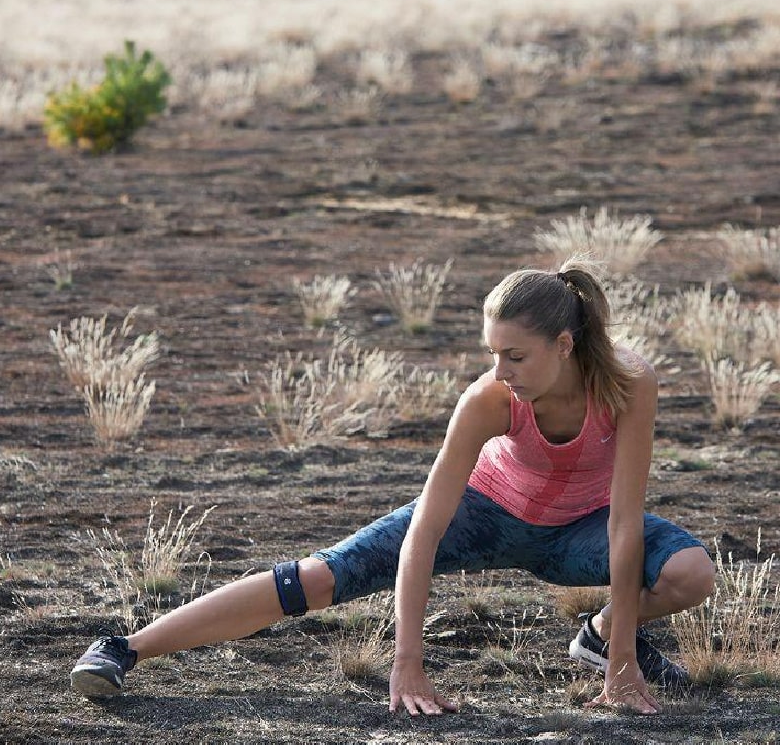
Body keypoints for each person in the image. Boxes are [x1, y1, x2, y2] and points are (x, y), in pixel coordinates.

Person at [70, 255, 716, 716]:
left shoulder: (631, 384)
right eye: (492, 353)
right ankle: (125, 648)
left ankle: (600, 639)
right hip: (483, 515)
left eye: (515, 356)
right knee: (324, 576)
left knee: (690, 572)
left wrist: (625, 658)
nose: (499, 369)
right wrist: (408, 659)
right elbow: (426, 531)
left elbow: (624, 523)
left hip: (579, 532)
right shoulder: (489, 401)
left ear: (565, 344)